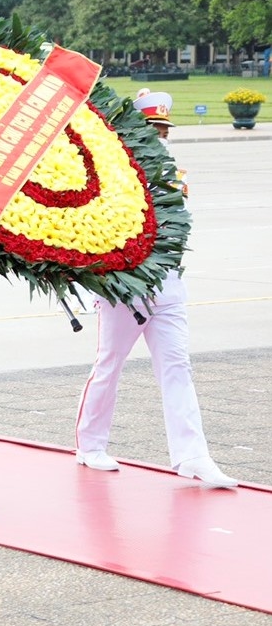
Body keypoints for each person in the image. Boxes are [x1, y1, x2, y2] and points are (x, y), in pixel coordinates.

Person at [74, 91, 237, 488]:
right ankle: (90, 445)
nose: (160, 137)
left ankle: (192, 456)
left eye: (164, 130)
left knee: (178, 366)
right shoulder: (110, 173)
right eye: (153, 130)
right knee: (109, 364)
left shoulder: (173, 173)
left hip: (168, 283)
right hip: (125, 286)